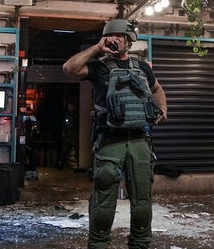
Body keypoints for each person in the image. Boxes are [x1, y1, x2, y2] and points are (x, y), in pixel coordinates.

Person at [62, 19, 167, 249]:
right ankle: (99, 244)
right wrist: (96, 48)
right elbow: (69, 68)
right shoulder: (99, 67)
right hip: (110, 141)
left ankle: (140, 244)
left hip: (140, 141)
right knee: (103, 204)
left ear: (129, 41)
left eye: (121, 36)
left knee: (142, 202)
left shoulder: (142, 68)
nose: (116, 39)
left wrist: (163, 109)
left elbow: (157, 88)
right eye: (112, 35)